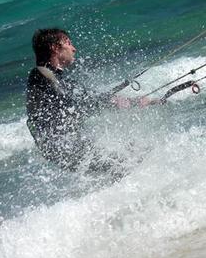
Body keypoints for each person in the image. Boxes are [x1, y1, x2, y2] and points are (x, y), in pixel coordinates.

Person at [26, 28, 156, 171]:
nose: (73, 49)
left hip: (66, 146)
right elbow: (77, 101)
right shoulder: (42, 75)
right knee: (132, 161)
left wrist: (126, 101)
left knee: (134, 152)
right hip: (65, 148)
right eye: (68, 43)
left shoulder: (51, 79)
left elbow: (81, 99)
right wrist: (128, 102)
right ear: (55, 48)